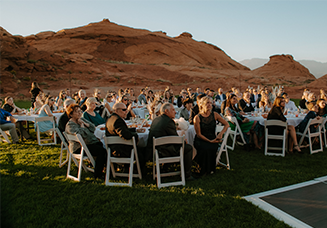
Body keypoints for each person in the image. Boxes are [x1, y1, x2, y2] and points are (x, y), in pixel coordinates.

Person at [147, 103, 194, 180]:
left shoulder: (156, 119)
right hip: (163, 152)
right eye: (173, 110)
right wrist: (183, 141)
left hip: (153, 151)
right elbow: (176, 140)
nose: (175, 112)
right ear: (166, 111)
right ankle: (187, 175)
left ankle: (165, 168)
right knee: (188, 148)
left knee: (173, 146)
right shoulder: (169, 122)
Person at [65, 104, 107, 179]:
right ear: (71, 114)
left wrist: (85, 124)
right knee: (101, 151)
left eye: (80, 111)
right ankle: (98, 174)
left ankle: (105, 168)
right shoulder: (70, 125)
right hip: (79, 148)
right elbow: (81, 135)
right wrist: (82, 126)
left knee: (103, 145)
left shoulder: (81, 119)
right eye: (77, 112)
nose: (79, 113)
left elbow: (93, 127)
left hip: (87, 144)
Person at [194, 96, 229, 175]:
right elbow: (199, 134)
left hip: (213, 138)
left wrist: (220, 134)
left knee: (212, 147)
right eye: (207, 103)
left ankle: (210, 169)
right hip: (201, 139)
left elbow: (226, 124)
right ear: (202, 105)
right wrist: (209, 141)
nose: (209, 105)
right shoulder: (197, 118)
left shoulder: (215, 115)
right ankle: (202, 169)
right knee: (204, 148)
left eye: (210, 103)